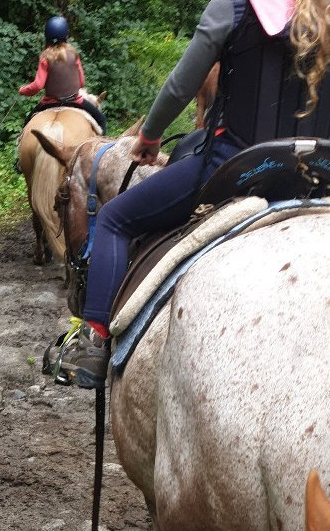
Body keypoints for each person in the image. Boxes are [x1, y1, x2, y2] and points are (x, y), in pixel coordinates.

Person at [56, 0, 330, 389]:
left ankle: (94, 345)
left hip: (240, 165)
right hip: (319, 173)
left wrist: (149, 136)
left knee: (116, 218)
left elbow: (180, 86)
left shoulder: (234, 8)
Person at [18, 15, 107, 134]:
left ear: (47, 36)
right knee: (101, 119)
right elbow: (81, 83)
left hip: (49, 103)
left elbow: (38, 85)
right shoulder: (73, 54)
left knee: (26, 124)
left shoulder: (45, 57)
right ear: (66, 35)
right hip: (76, 101)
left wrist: (23, 90)